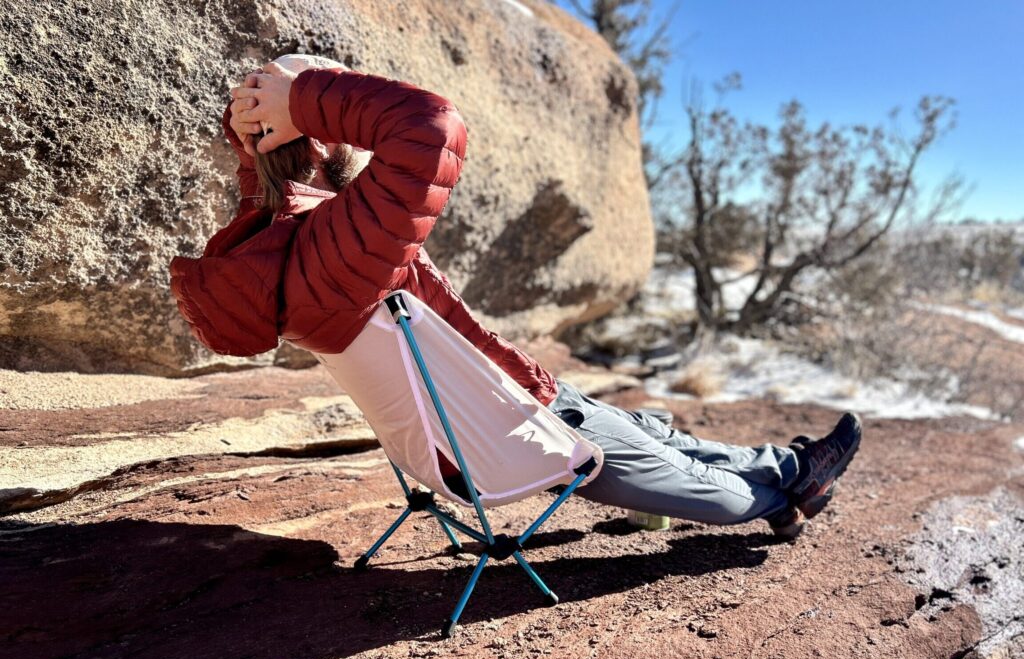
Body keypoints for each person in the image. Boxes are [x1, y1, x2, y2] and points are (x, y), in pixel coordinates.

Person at [169, 54, 861, 541]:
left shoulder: (281, 240)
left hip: (491, 415)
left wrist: (263, 125)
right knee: (688, 475)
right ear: (318, 135)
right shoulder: (341, 246)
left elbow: (267, 178)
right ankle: (787, 490)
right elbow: (432, 128)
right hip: (521, 432)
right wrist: (302, 100)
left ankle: (790, 468)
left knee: (657, 435)